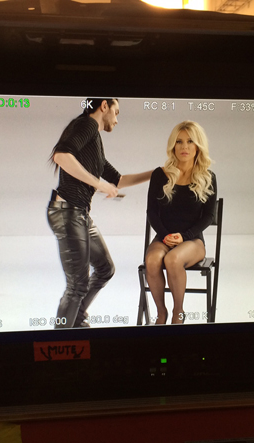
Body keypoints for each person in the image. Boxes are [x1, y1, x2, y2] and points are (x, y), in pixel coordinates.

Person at [47, 98, 151, 328]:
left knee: (105, 268)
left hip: (80, 215)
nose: (117, 119)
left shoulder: (94, 141)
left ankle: (75, 321)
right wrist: (99, 184)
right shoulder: (87, 125)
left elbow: (119, 180)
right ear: (104, 106)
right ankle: (61, 337)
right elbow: (61, 156)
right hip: (67, 213)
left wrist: (156, 173)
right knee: (77, 285)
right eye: (116, 112)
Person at [144, 120, 217, 324]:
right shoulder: (160, 175)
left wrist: (184, 237)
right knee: (152, 260)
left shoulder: (208, 177)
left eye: (190, 141)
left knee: (173, 259)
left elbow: (208, 216)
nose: (184, 147)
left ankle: (178, 314)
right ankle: (161, 313)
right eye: (179, 141)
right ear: (173, 145)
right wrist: (165, 235)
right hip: (164, 236)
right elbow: (152, 212)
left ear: (198, 146)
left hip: (193, 241)